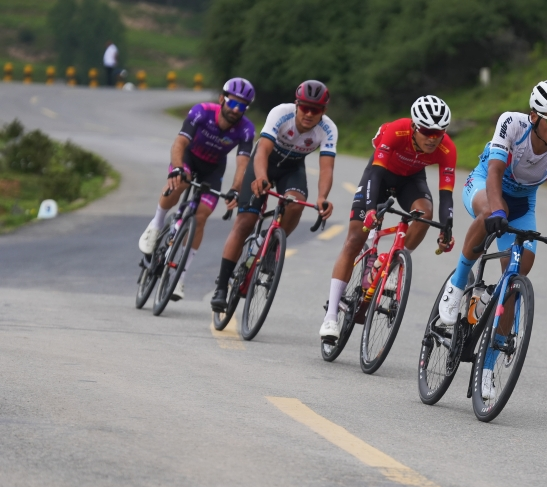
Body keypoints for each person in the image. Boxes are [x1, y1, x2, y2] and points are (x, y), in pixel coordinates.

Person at [437, 80, 547, 396]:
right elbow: (493, 172)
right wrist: (496, 211)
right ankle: (458, 283)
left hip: (523, 203)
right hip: (485, 185)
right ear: (535, 116)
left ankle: (487, 369)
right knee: (488, 213)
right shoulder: (512, 123)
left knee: (517, 277)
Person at [318, 94, 456, 342]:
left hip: (411, 181)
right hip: (380, 176)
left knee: (426, 214)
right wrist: (371, 210)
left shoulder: (447, 148)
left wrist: (447, 229)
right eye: (427, 131)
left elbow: (446, 195)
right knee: (354, 239)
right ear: (414, 127)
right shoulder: (395, 131)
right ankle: (330, 316)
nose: (433, 138)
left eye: (440, 132)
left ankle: (393, 266)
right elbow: (375, 174)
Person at [210, 80, 336, 311]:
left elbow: (326, 168)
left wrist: (322, 197)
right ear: (296, 104)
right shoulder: (281, 113)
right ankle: (221, 286)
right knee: (246, 221)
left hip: (292, 169)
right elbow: (263, 150)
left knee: (296, 205)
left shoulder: (328, 129)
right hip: (264, 163)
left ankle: (270, 247)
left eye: (315, 110)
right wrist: (260, 177)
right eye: (304, 107)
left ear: (323, 111)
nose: (308, 114)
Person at [137, 77, 257, 300]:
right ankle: (156, 224)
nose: (235, 109)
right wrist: (176, 168)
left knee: (201, 216)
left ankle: (179, 277)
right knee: (180, 182)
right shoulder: (202, 111)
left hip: (213, 168)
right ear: (222, 99)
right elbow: (179, 143)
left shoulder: (246, 129)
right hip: (188, 158)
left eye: (242, 106)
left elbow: (243, 163)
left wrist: (235, 189)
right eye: (232, 102)